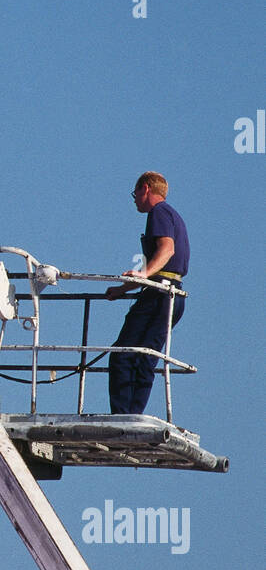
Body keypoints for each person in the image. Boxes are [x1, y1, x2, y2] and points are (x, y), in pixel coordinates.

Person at [106, 171, 189, 416]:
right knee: (144, 357)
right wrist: (123, 289)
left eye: (135, 194)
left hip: (158, 296)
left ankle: (122, 416)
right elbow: (162, 267)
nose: (134, 200)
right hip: (171, 295)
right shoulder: (174, 215)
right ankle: (132, 414)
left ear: (145, 188)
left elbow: (167, 250)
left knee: (122, 355)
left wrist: (143, 275)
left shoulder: (159, 212)